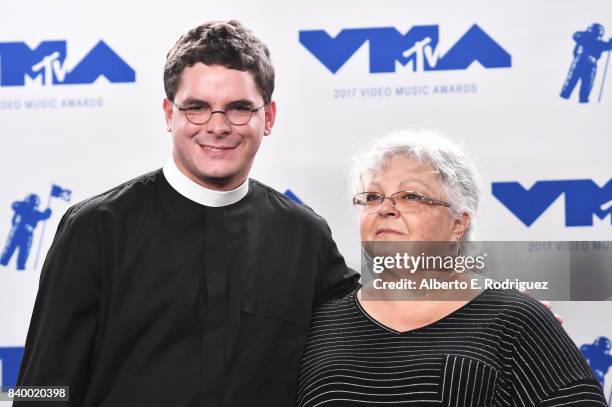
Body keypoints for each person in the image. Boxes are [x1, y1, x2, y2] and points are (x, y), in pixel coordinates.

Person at [15, 20, 359, 407]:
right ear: (169, 114)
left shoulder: (304, 235)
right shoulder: (95, 228)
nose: (217, 126)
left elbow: (388, 320)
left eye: (239, 109)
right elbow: (41, 388)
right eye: (196, 108)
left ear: (270, 117)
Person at [297, 130, 606, 406]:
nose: (385, 208)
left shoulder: (517, 319)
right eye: (373, 196)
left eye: (411, 196)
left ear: (458, 224)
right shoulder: (317, 323)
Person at [560, 23, 612, 103]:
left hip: (580, 60)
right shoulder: (596, 42)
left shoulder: (583, 37)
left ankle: (566, 96)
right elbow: (608, 46)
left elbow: (575, 35)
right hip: (589, 62)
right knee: (586, 83)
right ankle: (581, 99)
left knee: (573, 80)